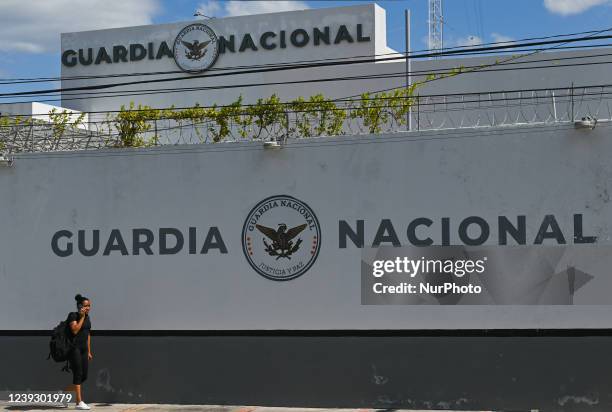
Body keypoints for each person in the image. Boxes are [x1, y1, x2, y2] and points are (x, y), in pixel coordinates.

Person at [64, 294, 93, 410]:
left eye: (89, 306)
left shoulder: (88, 318)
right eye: (86, 306)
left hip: (84, 349)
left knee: (84, 375)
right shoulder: (73, 316)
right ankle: (78, 402)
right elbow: (75, 331)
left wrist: (89, 351)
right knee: (78, 373)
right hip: (74, 348)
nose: (88, 308)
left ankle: (66, 394)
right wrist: (81, 317)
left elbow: (88, 334)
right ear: (80, 306)